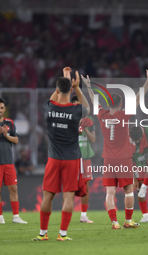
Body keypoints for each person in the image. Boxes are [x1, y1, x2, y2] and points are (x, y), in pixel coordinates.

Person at [82, 68, 148, 229]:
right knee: (129, 191)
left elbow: (92, 99)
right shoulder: (124, 115)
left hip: (108, 159)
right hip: (124, 158)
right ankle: (128, 220)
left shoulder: (102, 115)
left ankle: (114, 222)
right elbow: (139, 98)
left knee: (109, 193)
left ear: (108, 104)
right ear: (121, 104)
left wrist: (88, 86)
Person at [32, 67, 90, 241]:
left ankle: (43, 234)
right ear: (70, 90)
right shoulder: (76, 111)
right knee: (68, 196)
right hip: (71, 159)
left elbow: (54, 98)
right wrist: (77, 88)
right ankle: (62, 234)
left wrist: (64, 79)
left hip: (53, 159)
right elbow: (86, 107)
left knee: (47, 196)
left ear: (57, 90)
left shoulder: (49, 108)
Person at [71, 95, 96, 224]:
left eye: (79, 104)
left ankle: (83, 216)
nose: (77, 107)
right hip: (73, 157)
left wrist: (85, 127)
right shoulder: (69, 120)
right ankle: (67, 214)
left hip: (85, 156)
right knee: (70, 186)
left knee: (86, 186)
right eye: (74, 104)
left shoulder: (89, 120)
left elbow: (93, 140)